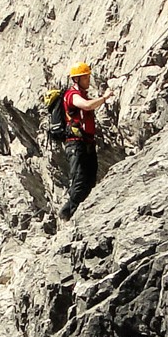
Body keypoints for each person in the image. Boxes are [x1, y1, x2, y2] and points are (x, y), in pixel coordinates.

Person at [58, 62, 112, 219]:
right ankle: (69, 213)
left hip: (86, 144)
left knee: (89, 179)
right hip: (76, 144)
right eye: (86, 77)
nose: (89, 79)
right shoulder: (72, 95)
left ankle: (79, 212)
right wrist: (104, 98)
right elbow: (87, 106)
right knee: (79, 180)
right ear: (77, 79)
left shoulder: (81, 94)